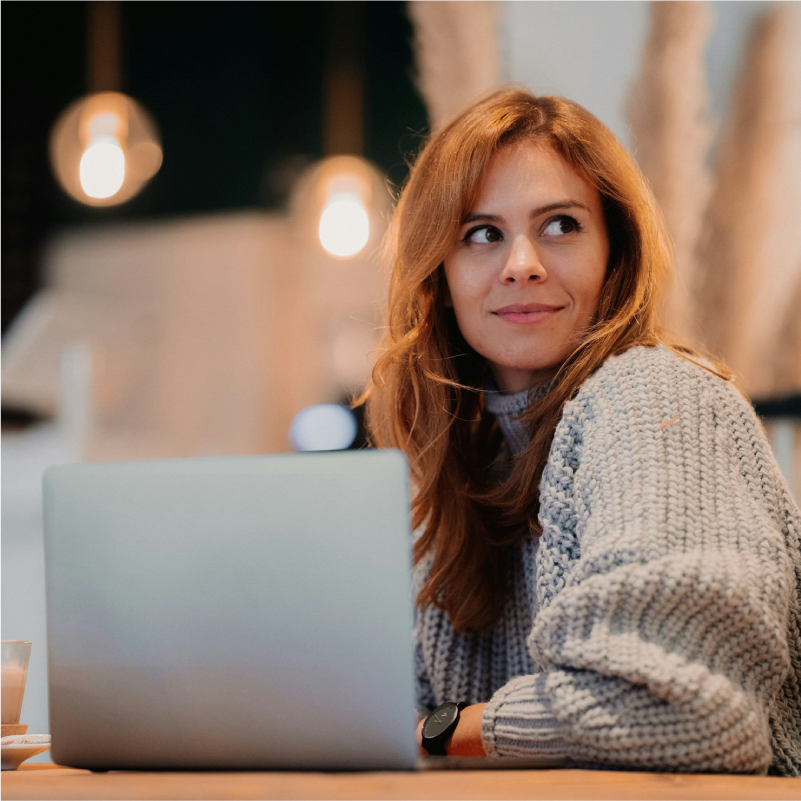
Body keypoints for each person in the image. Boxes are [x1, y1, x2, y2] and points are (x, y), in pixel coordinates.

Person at [362, 88, 801, 775]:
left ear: (613, 253)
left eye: (560, 225)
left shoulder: (653, 397)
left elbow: (675, 710)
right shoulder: (461, 462)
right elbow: (385, 708)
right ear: (439, 277)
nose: (521, 264)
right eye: (481, 234)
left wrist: (438, 732)